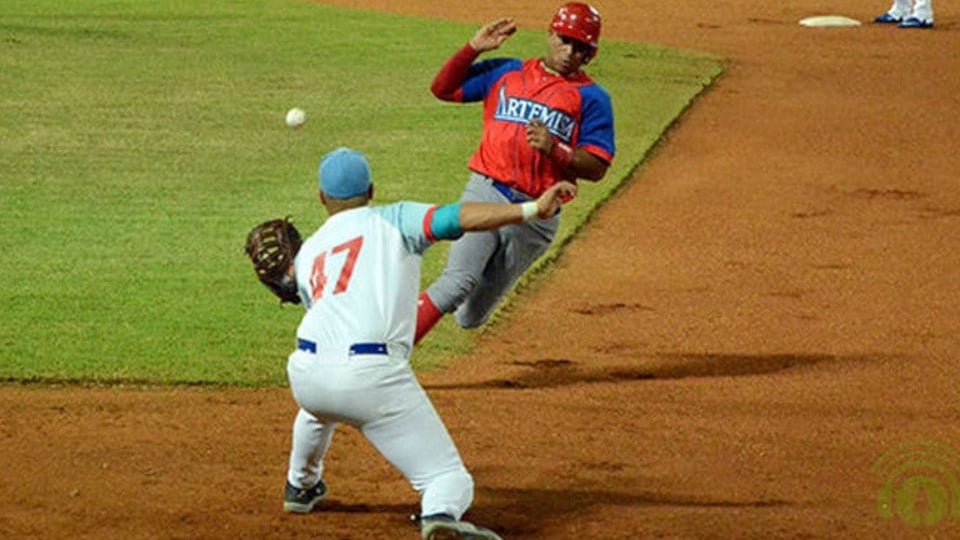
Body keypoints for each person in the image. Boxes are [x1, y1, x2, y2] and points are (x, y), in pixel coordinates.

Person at [282, 147, 577, 540]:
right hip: (371, 379)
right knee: (449, 477)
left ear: (321, 197)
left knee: (317, 411)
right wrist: (529, 211)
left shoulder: (309, 251)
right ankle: (439, 513)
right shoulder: (395, 218)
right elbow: (461, 216)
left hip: (307, 374)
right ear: (371, 190)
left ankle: (300, 486)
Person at [414, 2, 616, 344]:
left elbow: (597, 166)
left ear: (590, 55)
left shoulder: (593, 98)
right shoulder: (507, 72)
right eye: (565, 40)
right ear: (551, 35)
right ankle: (385, 352)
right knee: (455, 283)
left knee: (470, 316)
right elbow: (443, 89)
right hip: (485, 192)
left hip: (536, 216)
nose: (570, 51)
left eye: (581, 47)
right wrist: (472, 49)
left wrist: (557, 149)